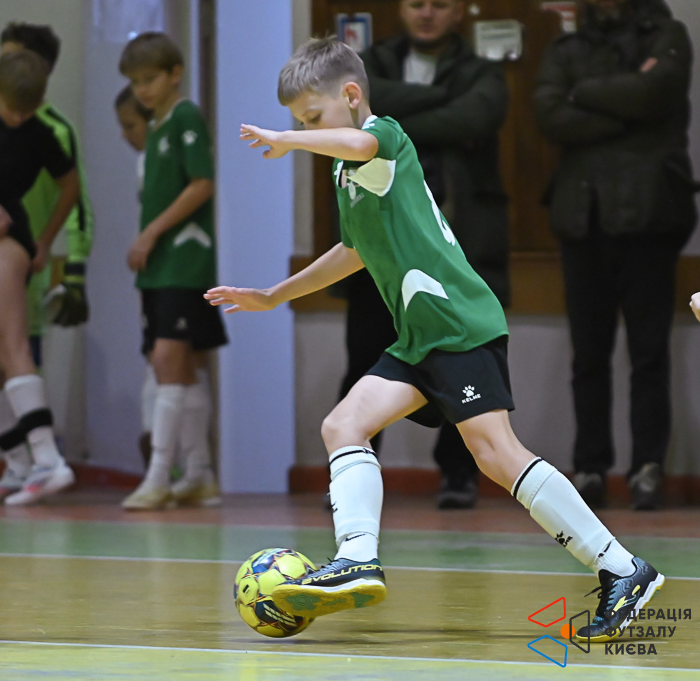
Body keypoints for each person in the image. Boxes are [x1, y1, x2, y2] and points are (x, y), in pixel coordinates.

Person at [208, 37, 664, 643]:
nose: (308, 131)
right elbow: (353, 250)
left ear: (351, 96)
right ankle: (356, 559)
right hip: (419, 339)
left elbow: (357, 143)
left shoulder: (384, 137)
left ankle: (623, 568)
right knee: (343, 425)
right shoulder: (347, 173)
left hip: (458, 324)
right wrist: (273, 295)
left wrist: (288, 140)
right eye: (301, 123)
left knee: (496, 454)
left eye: (313, 117)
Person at [534, 0, 696, 510]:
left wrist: (582, 93)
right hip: (583, 217)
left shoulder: (667, 34)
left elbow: (656, 92)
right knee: (589, 356)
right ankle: (590, 467)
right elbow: (550, 114)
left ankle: (648, 467)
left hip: (652, 216)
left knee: (649, 354)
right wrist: (632, 115)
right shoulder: (567, 46)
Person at [349, 0, 510, 509]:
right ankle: (353, 479)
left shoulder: (480, 69)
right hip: (383, 251)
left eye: (439, 4)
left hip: (455, 248)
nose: (426, 14)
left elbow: (474, 117)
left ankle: (459, 476)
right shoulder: (372, 61)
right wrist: (441, 102)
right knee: (364, 358)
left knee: (458, 365)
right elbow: (359, 119)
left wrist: (394, 121)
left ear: (459, 11)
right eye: (416, 3)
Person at [0, 23, 95, 504]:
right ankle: (17, 464)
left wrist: (47, 243)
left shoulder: (46, 132)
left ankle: (48, 459)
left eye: (26, 110)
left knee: (12, 348)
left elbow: (73, 190)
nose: (16, 118)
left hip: (7, 243)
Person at [118, 32, 227, 510]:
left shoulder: (184, 117)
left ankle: (160, 475)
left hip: (184, 261)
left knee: (167, 359)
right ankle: (200, 473)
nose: (142, 89)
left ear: (174, 74)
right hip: (161, 268)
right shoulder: (157, 126)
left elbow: (202, 183)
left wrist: (150, 233)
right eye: (135, 82)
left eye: (150, 79)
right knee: (183, 365)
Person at [114, 85, 159, 467]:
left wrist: (147, 238)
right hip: (152, 273)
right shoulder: (144, 161)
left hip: (168, 270)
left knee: (168, 362)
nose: (124, 136)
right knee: (155, 357)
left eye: (130, 125)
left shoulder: (158, 157)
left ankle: (167, 457)